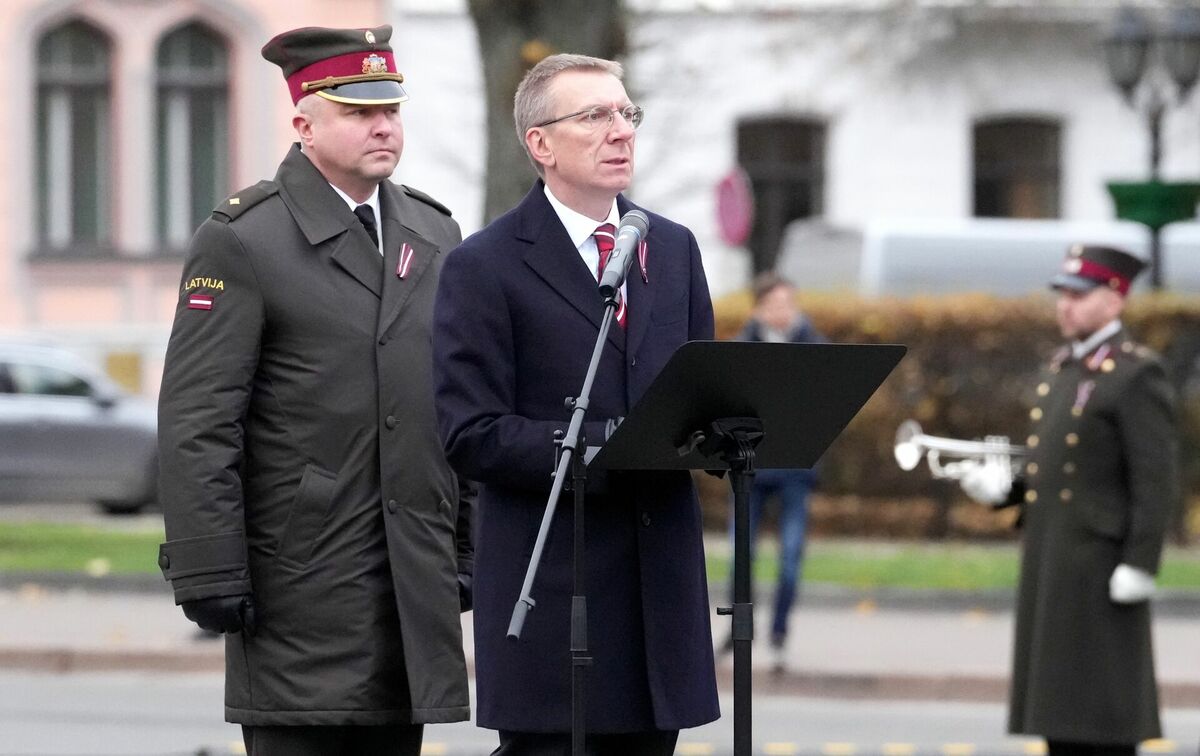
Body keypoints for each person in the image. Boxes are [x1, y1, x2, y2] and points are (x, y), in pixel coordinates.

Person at [155, 25, 473, 756]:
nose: (384, 125)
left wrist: (465, 548)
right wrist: (208, 566)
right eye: (359, 111)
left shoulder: (433, 230)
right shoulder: (244, 239)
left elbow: (452, 401)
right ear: (304, 122)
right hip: (297, 581)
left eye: (392, 108)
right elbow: (198, 419)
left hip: (410, 585)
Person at [432, 53, 719, 755]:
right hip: (556, 597)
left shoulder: (672, 249)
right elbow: (471, 431)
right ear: (541, 144)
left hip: (659, 600)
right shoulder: (486, 264)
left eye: (627, 113)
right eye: (595, 115)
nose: (620, 131)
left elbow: (699, 393)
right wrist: (599, 449)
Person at [960, 244, 1178, 756]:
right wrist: (1005, 491)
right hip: (1053, 564)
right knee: (1061, 720)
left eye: (1079, 295)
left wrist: (1141, 563)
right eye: (1062, 294)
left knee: (1103, 721)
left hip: (1102, 569)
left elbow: (1155, 478)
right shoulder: (1063, 368)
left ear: (1114, 300)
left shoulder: (1134, 374)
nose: (1066, 306)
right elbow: (1053, 471)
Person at [720, 271, 825, 673]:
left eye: (789, 303)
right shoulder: (742, 347)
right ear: (760, 307)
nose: (783, 312)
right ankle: (738, 630)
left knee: (791, 557)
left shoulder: (815, 347)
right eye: (775, 304)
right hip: (750, 470)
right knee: (739, 556)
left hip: (796, 471)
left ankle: (780, 632)